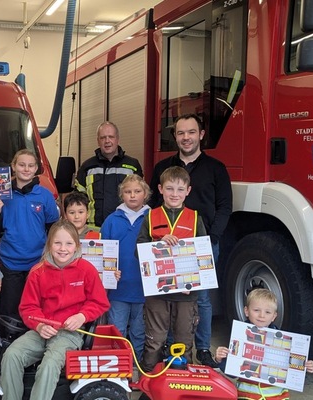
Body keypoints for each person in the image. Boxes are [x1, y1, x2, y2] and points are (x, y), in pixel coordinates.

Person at [149, 114, 232, 368]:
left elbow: (225, 206)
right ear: (175, 137)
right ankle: (173, 349)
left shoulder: (216, 168)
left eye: (191, 132)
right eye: (181, 133)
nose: (186, 137)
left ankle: (203, 348)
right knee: (171, 300)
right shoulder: (162, 168)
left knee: (202, 300)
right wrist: (160, 239)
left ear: (201, 135)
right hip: (168, 247)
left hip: (201, 247)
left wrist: (211, 239)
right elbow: (153, 205)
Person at [0, 220, 110, 400]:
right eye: (57, 243)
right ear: (49, 244)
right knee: (11, 355)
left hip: (69, 333)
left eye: (68, 243)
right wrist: (40, 326)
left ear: (76, 246)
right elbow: (28, 307)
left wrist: (82, 316)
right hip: (41, 331)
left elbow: (99, 302)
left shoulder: (86, 270)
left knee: (49, 364)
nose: (63, 248)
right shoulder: (37, 272)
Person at [137, 166, 208, 371]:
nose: (174, 194)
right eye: (169, 189)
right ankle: (148, 380)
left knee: (184, 342)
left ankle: (183, 381)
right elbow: (138, 251)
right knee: (154, 340)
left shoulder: (195, 218)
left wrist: (192, 282)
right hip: (157, 293)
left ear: (188, 190)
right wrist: (158, 243)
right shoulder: (151, 217)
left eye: (179, 189)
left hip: (186, 293)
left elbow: (203, 257)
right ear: (160, 189)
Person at [0, 149, 59, 319]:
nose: (26, 169)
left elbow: (53, 229)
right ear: (13, 166)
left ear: (36, 169)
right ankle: (9, 342)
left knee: (35, 308)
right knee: (10, 311)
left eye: (31, 165)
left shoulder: (45, 195)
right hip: (10, 262)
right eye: (21, 165)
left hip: (37, 262)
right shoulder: (2, 194)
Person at [214, 288, 313, 400]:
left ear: (274, 316)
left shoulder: (285, 343)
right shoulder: (239, 336)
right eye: (256, 310)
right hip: (247, 396)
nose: (262, 315)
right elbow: (232, 373)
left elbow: (293, 374)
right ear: (246, 311)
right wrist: (221, 359)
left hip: (277, 397)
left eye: (267, 312)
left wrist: (304, 367)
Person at [101, 174, 151, 362]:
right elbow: (102, 253)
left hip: (143, 289)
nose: (132, 195)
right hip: (118, 289)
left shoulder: (153, 218)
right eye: (128, 192)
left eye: (137, 191)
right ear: (121, 195)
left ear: (145, 194)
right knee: (117, 330)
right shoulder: (111, 220)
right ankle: (118, 366)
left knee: (139, 332)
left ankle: (136, 364)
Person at [75, 121, 143, 227]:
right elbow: (78, 199)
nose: (107, 141)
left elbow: (142, 198)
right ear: (98, 141)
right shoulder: (87, 166)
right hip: (94, 229)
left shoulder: (132, 165)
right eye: (103, 138)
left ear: (117, 139)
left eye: (111, 137)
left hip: (124, 226)